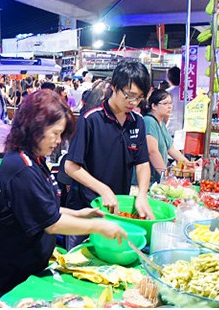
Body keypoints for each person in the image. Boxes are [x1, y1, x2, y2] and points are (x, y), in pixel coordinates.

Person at [0, 89, 128, 296]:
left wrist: (78, 214)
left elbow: (42, 210)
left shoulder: (34, 159)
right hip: (9, 276)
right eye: (55, 133)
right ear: (35, 127)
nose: (59, 141)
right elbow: (51, 224)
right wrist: (98, 226)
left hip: (29, 271)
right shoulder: (22, 167)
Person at [62, 61, 154, 249]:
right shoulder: (91, 119)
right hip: (87, 210)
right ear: (113, 87)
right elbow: (70, 166)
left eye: (139, 98)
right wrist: (103, 189)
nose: (133, 103)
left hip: (117, 210)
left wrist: (142, 195)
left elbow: (143, 163)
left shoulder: (138, 122)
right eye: (129, 96)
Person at [143, 89, 192, 184]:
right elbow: (152, 151)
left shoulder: (161, 123)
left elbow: (171, 149)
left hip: (157, 179)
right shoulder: (149, 121)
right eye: (165, 103)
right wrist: (166, 176)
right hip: (148, 180)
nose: (169, 106)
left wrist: (188, 164)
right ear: (154, 106)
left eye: (170, 103)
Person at [165, 66, 183, 136]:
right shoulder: (187, 92)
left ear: (169, 78)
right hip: (184, 128)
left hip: (170, 127)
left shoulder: (167, 92)